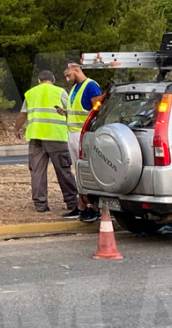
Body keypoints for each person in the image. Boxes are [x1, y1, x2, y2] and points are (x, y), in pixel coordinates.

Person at [14, 70, 79, 219]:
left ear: (38, 80)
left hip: (36, 138)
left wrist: (16, 129)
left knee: (37, 171)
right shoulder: (60, 91)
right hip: (57, 137)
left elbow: (22, 114)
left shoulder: (30, 93)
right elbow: (71, 111)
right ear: (53, 80)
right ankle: (71, 202)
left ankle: (40, 205)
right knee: (63, 170)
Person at [63, 61, 102, 223]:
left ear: (77, 70)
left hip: (84, 134)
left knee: (88, 171)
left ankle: (93, 206)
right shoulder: (75, 87)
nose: (67, 79)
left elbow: (97, 110)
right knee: (79, 171)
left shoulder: (91, 86)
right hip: (73, 133)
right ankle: (81, 205)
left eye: (68, 75)